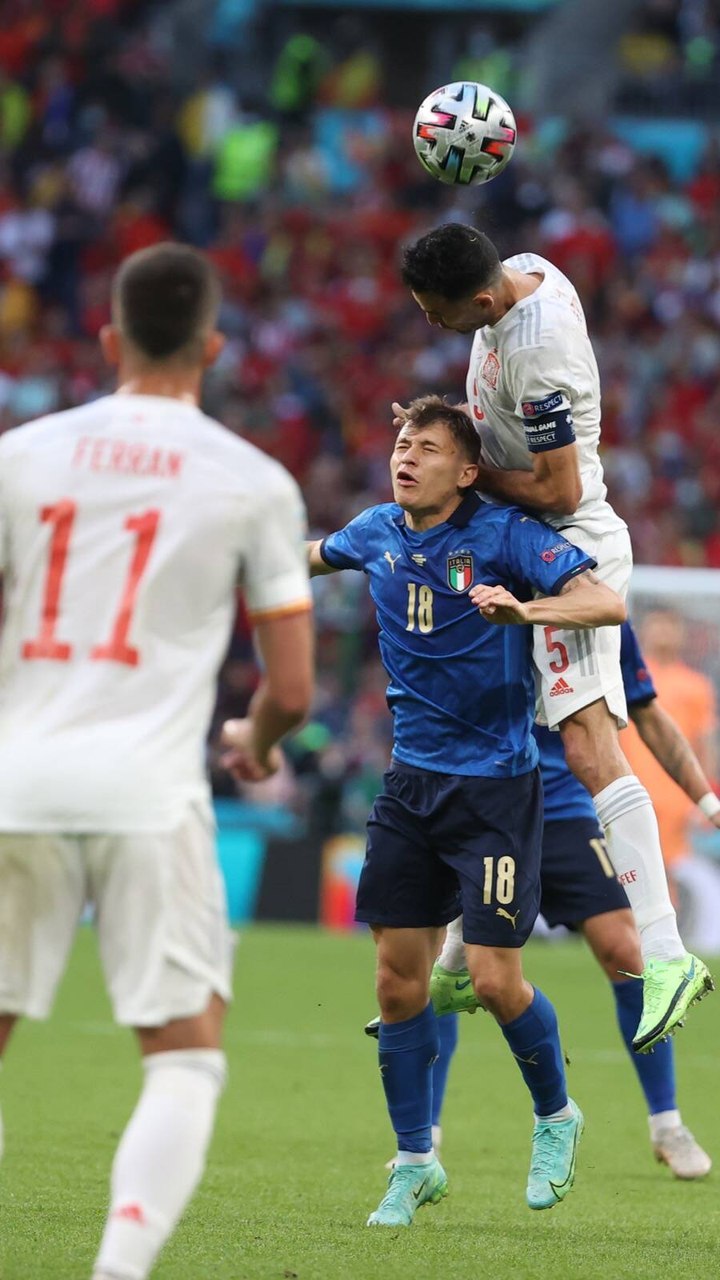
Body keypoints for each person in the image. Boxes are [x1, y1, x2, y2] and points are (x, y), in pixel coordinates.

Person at [0, 243, 314, 1280]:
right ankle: (118, 1270)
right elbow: (295, 688)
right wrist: (254, 740)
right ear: (214, 347)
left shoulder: (24, 454)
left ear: (107, 339)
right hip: (148, 790)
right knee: (182, 1057)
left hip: (16, 779)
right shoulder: (253, 480)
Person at [308, 394, 626, 1226]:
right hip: (410, 786)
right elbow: (308, 556)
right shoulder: (377, 529)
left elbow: (605, 602)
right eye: (402, 442)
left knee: (491, 980)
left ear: (467, 468)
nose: (406, 455)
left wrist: (528, 610)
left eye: (428, 446)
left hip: (494, 789)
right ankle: (415, 1161)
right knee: (395, 981)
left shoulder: (503, 536)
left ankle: (557, 1115)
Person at [397, 222, 713, 1051]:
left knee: (585, 746)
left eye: (438, 313)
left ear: (481, 299)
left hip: (568, 547)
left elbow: (558, 483)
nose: (432, 326)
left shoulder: (539, 356)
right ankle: (466, 956)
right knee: (507, 733)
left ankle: (668, 951)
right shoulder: (525, 270)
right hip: (516, 541)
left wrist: (459, 469)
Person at [368, 617, 718, 1179]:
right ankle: (424, 1137)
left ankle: (667, 1123)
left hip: (561, 809)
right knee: (445, 967)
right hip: (481, 803)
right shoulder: (478, 586)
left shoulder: (590, 606)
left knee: (623, 950)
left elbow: (646, 711)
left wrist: (706, 798)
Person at [623, 609, 720, 952]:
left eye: (670, 625)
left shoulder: (696, 685)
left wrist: (704, 794)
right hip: (632, 788)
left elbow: (705, 741)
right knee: (631, 867)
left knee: (667, 872)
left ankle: (666, 944)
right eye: (656, 624)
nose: (662, 632)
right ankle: (635, 940)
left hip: (675, 795)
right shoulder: (628, 675)